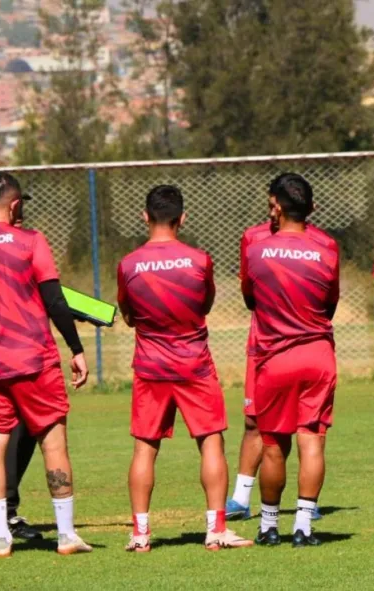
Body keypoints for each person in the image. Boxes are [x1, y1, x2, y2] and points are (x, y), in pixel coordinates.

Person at [0, 172, 92, 557]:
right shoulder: (31, 241)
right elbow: (54, 300)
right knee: (53, 442)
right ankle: (66, 535)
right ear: (14, 206)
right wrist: (75, 347)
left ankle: (0, 537)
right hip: (35, 359)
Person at [117, 185, 252, 552]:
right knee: (211, 442)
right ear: (182, 218)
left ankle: (140, 535)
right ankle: (216, 530)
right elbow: (204, 306)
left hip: (150, 367)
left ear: (145, 217)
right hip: (194, 365)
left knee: (144, 448)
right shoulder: (200, 260)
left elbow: (128, 315)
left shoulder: (128, 264)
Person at [241, 173, 340, 548]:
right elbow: (330, 304)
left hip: (274, 357)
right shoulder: (327, 250)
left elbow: (251, 300)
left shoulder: (255, 250)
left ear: (276, 207)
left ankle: (269, 527)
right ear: (311, 208)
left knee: (272, 445)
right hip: (317, 355)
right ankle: (303, 528)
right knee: (312, 441)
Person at [0, 200, 40, 542]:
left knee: (24, 428)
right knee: (7, 433)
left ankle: (1, 512)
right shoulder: (9, 246)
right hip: (9, 355)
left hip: (4, 354)